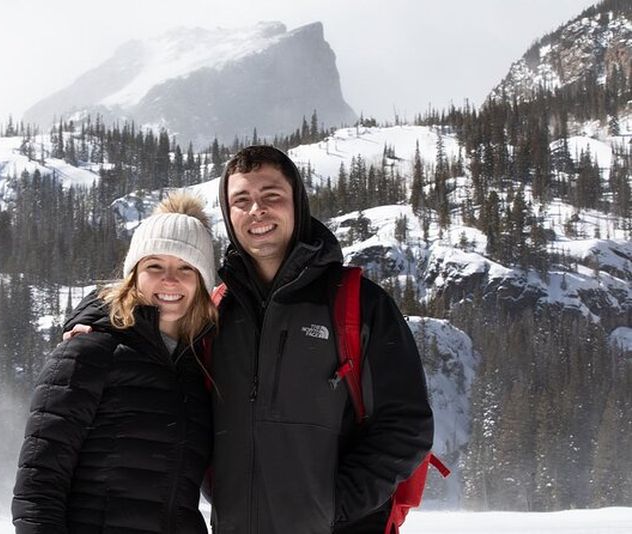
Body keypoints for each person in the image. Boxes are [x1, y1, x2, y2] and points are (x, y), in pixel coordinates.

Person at [65, 146, 434, 534]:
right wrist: (92, 318)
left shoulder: (358, 302)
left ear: (297, 204)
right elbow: (148, 312)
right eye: (242, 200)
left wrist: (329, 508)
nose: (257, 209)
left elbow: (407, 425)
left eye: (271, 196)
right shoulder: (215, 310)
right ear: (229, 214)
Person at [12, 192, 217, 534]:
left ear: (202, 282)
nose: (170, 279)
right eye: (155, 266)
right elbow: (39, 485)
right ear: (133, 274)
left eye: (186, 268)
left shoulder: (200, 368)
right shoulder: (89, 352)